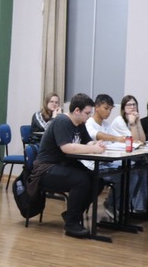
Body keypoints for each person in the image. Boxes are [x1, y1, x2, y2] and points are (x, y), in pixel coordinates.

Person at [28, 93, 106, 239]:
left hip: (63, 165)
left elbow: (87, 142)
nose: (89, 117)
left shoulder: (80, 124)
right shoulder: (62, 121)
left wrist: (96, 144)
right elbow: (67, 148)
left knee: (98, 180)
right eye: (87, 113)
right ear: (77, 110)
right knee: (81, 180)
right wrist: (93, 149)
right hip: (45, 169)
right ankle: (72, 223)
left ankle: (71, 214)